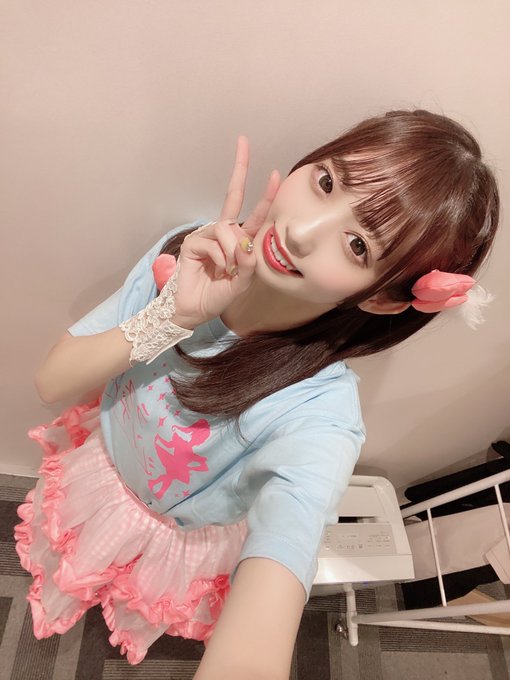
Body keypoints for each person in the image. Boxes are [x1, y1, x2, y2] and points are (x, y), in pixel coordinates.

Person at [14, 109, 499, 679]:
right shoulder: (190, 254)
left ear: (382, 299)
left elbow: (283, 557)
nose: (300, 231)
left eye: (357, 246)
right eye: (326, 182)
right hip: (104, 466)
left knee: (135, 592)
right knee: (79, 556)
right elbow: (51, 383)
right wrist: (170, 317)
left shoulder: (319, 417)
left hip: (176, 533)